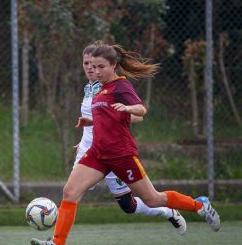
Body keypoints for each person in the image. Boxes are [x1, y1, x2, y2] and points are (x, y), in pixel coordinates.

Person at [31, 42, 220, 245]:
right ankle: (57, 243)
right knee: (70, 191)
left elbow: (141, 109)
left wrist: (129, 109)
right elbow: (108, 116)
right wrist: (90, 122)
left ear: (113, 65)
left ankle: (199, 205)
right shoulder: (99, 89)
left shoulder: (121, 85)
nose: (95, 70)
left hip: (121, 155)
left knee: (153, 199)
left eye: (100, 66)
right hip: (97, 153)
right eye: (93, 66)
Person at [73, 42, 186, 235]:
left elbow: (139, 115)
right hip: (90, 150)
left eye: (95, 65)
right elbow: (96, 119)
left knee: (128, 205)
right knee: (72, 192)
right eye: (86, 64)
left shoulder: (112, 85)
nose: (90, 68)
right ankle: (56, 237)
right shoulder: (88, 88)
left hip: (113, 151)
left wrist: (122, 111)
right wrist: (84, 141)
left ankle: (167, 211)